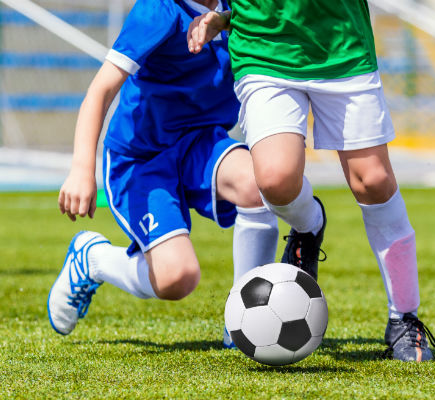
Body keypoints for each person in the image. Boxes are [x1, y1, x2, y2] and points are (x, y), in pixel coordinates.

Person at [187, 1, 435, 361]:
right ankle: (308, 224)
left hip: (341, 44)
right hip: (265, 47)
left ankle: (404, 318)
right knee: (275, 179)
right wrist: (225, 17)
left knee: (372, 181)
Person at [47, 0, 279, 349]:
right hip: (143, 155)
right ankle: (93, 259)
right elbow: (101, 90)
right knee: (177, 278)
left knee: (260, 184)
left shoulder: (244, 6)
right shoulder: (158, 10)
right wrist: (82, 167)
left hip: (200, 140)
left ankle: (244, 321)